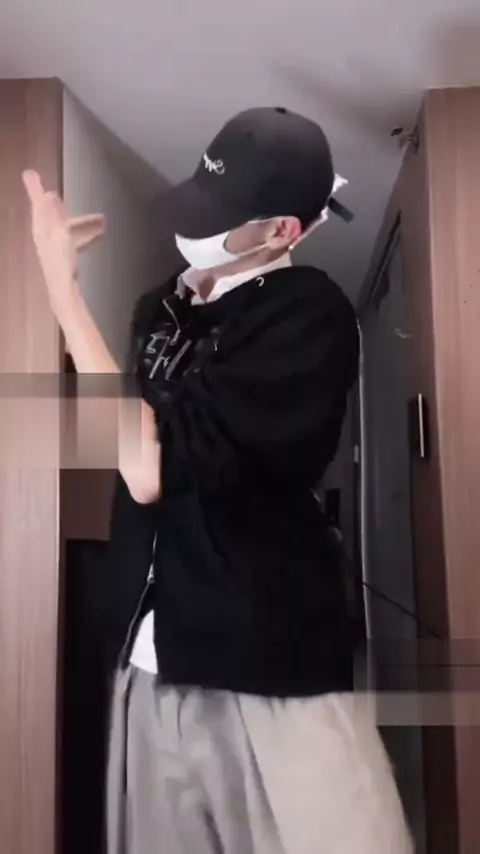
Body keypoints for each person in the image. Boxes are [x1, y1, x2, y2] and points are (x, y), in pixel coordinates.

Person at [24, 106, 413, 854]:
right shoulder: (161, 309)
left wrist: (64, 295)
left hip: (263, 656)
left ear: (281, 232)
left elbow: (148, 468)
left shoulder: (308, 314)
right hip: (147, 661)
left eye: (221, 218)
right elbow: (125, 447)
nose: (194, 230)